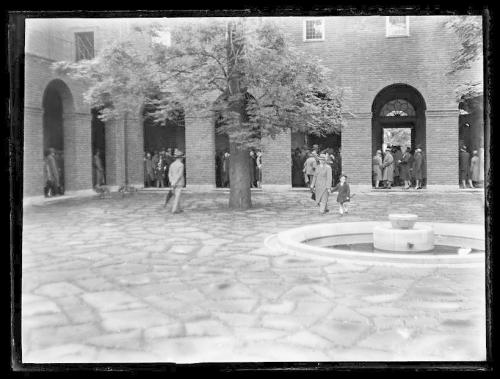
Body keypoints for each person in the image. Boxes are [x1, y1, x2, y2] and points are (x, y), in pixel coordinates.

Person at [168, 149, 185, 214]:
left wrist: (171, 181)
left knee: (176, 195)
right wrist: (175, 182)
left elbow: (169, 174)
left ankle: (179, 209)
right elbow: (179, 175)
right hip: (179, 183)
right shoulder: (181, 165)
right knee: (177, 196)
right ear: (180, 158)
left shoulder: (172, 164)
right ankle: (174, 209)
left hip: (173, 182)